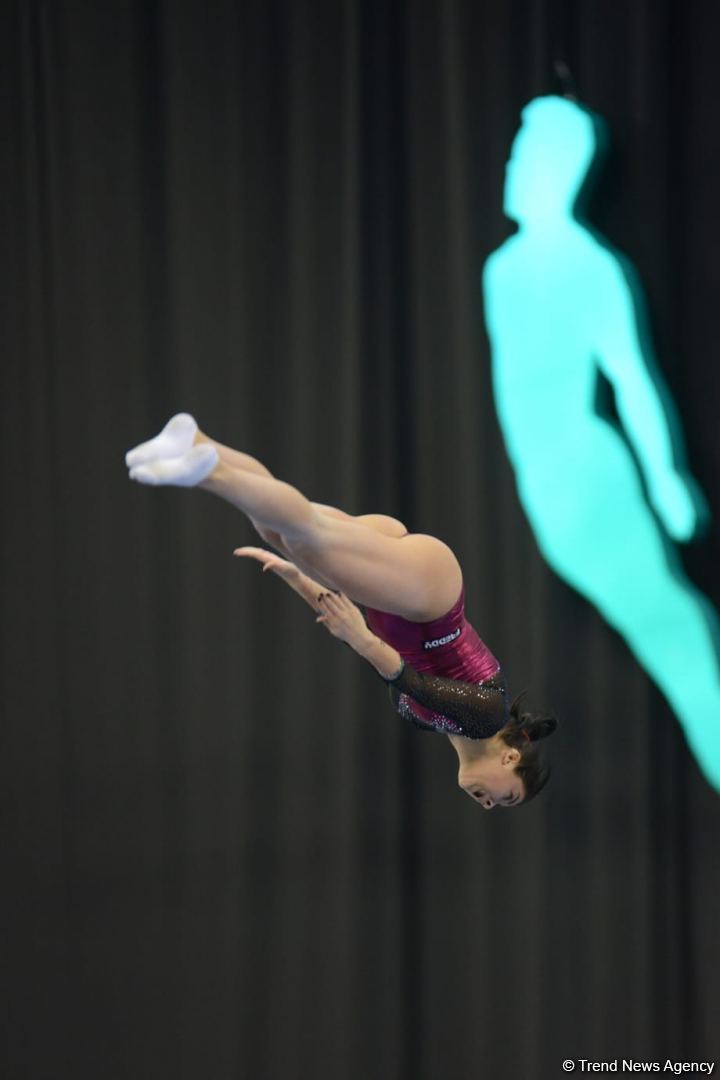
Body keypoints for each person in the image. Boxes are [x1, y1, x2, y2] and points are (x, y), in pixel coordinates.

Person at [125, 413, 557, 808]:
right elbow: (407, 676)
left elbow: (354, 628)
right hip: (429, 596)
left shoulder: (421, 719)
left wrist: (299, 580)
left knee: (283, 532)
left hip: (392, 600)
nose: (487, 804)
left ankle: (194, 440)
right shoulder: (487, 718)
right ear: (510, 758)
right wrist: (363, 639)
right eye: (506, 799)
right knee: (303, 531)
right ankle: (209, 472)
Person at [483, 96, 720, 792]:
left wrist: (667, 479)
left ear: (559, 170)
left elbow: (632, 381)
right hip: (562, 491)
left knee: (684, 636)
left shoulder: (586, 267)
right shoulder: (508, 270)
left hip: (584, 481)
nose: (512, 166)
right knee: (681, 636)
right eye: (514, 153)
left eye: (526, 156)